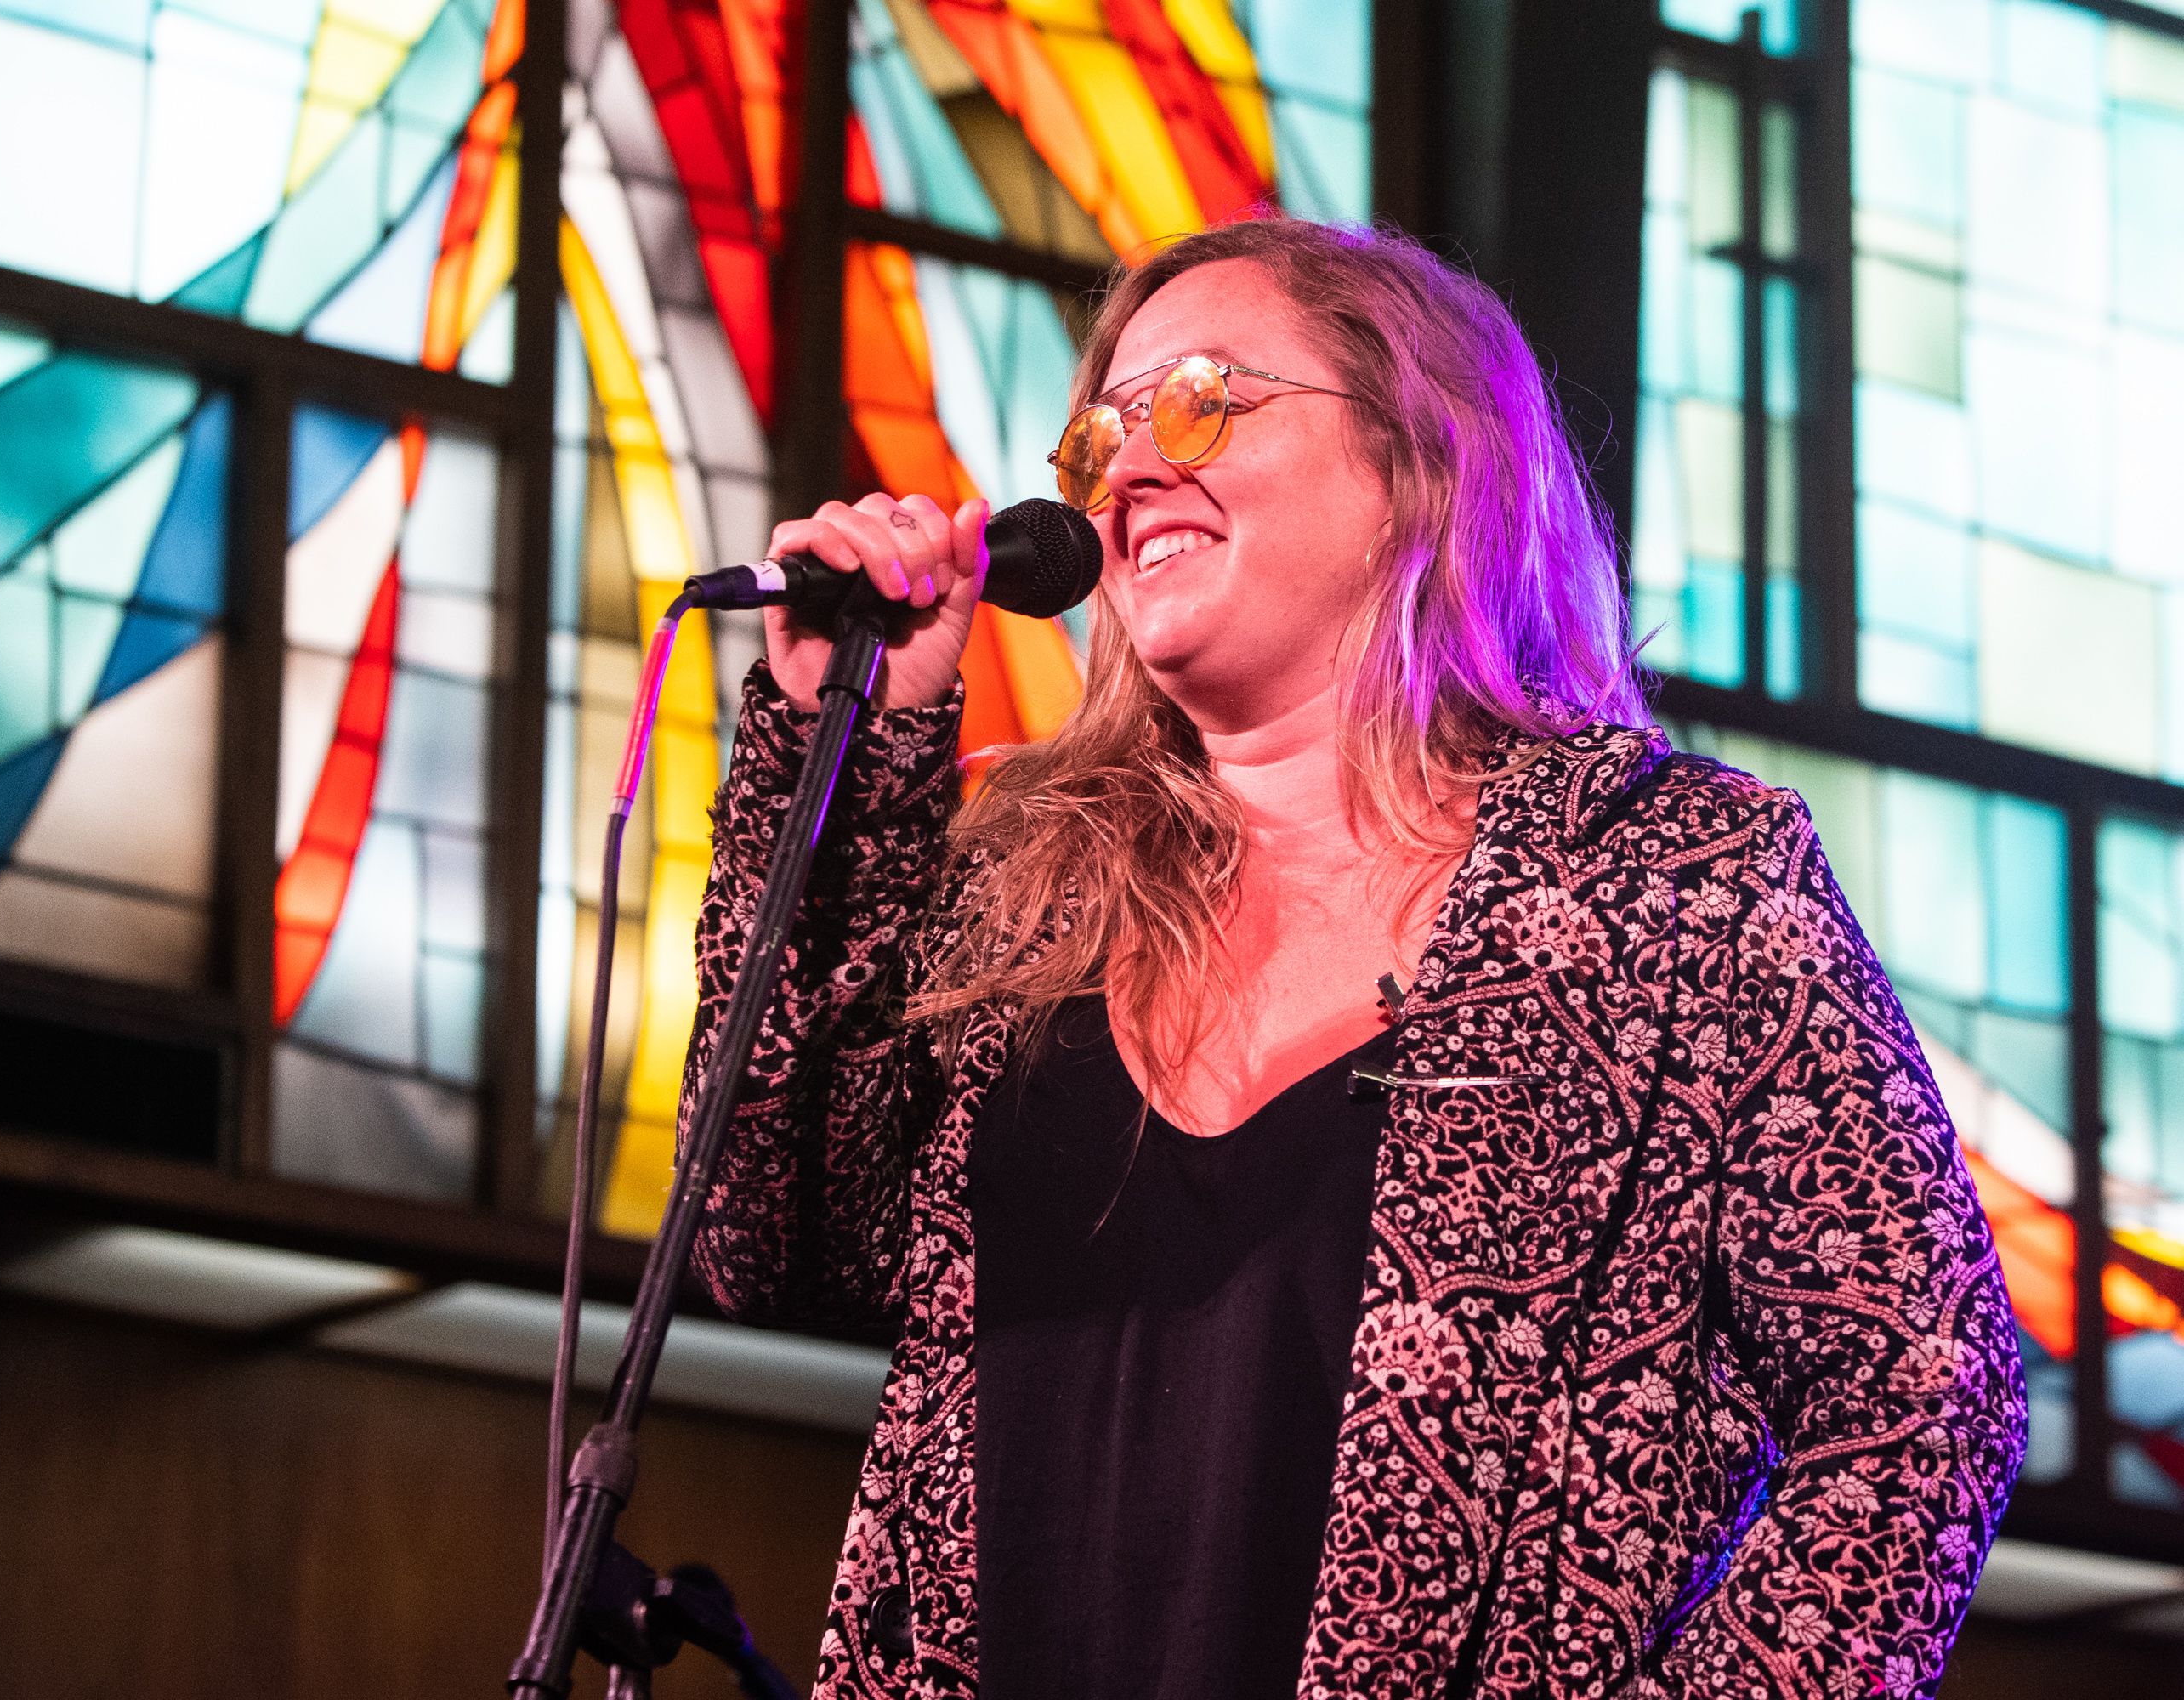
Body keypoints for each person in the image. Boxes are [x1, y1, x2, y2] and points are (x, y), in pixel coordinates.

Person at [681, 217, 2023, 1700]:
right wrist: (840, 736)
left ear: (1420, 461)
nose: (1128, 473)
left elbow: (1923, 1405)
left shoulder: (1672, 883)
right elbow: (770, 1239)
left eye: (1201, 398)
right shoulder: (1028, 899)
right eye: (1099, 436)